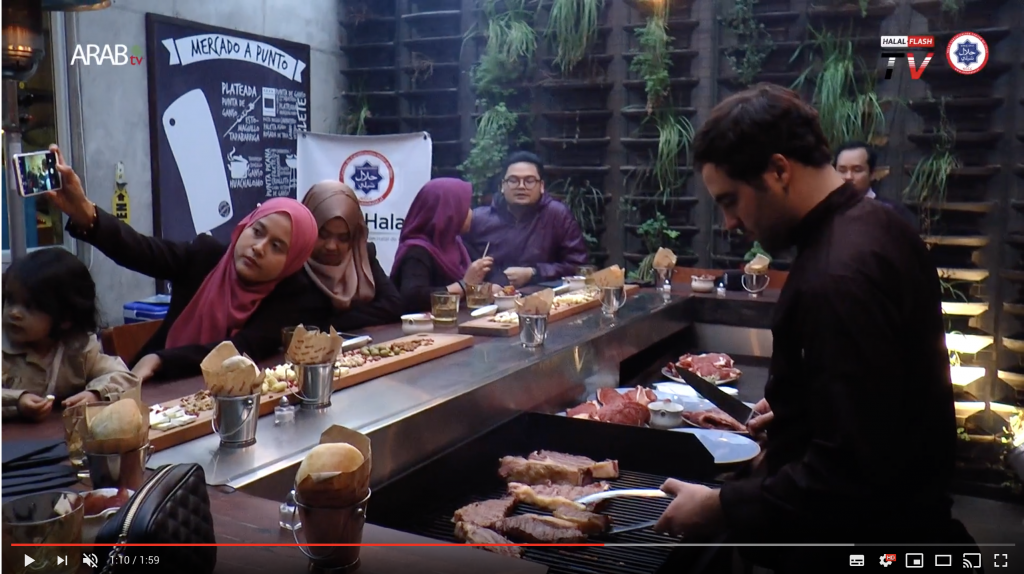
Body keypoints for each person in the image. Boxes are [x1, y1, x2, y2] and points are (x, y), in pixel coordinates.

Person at [653, 84, 972, 570]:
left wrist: (721, 506)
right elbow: (886, 404)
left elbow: (851, 475)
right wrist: (804, 408)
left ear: (779, 170)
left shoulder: (839, 274)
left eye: (731, 199)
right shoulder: (876, 226)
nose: (729, 222)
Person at [47, 144, 322, 382]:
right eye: (257, 231)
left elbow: (240, 349)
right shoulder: (205, 256)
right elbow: (140, 250)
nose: (258, 248)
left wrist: (162, 359)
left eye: (277, 246)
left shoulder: (291, 294)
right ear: (244, 227)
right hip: (156, 388)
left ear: (292, 260)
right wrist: (87, 215)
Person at [2, 248, 138, 421]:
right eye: (11, 300)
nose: (14, 313)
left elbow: (124, 378)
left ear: (65, 318)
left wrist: (95, 395)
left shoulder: (78, 349)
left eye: (29, 306)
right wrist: (17, 401)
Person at [463, 151, 588, 288]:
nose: (521, 186)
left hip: (546, 301)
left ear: (541, 186)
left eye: (529, 181)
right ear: (502, 186)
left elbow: (578, 266)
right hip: (489, 303)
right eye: (513, 180)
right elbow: (462, 266)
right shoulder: (480, 218)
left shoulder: (557, 214)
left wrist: (534, 273)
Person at [302, 181, 403, 330]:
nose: (331, 246)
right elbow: (297, 324)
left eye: (343, 238)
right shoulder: (292, 264)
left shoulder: (362, 256)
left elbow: (393, 305)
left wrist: (335, 323)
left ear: (354, 237)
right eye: (322, 235)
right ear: (307, 228)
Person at [391, 178, 495, 312]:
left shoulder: (456, 243)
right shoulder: (416, 251)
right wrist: (464, 285)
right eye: (466, 207)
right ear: (448, 212)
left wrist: (490, 288)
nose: (471, 213)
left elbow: (485, 276)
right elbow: (413, 298)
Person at [834, 140, 918, 229]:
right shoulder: (825, 212)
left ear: (872, 173)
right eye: (842, 170)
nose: (848, 177)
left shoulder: (892, 212)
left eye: (857, 170)